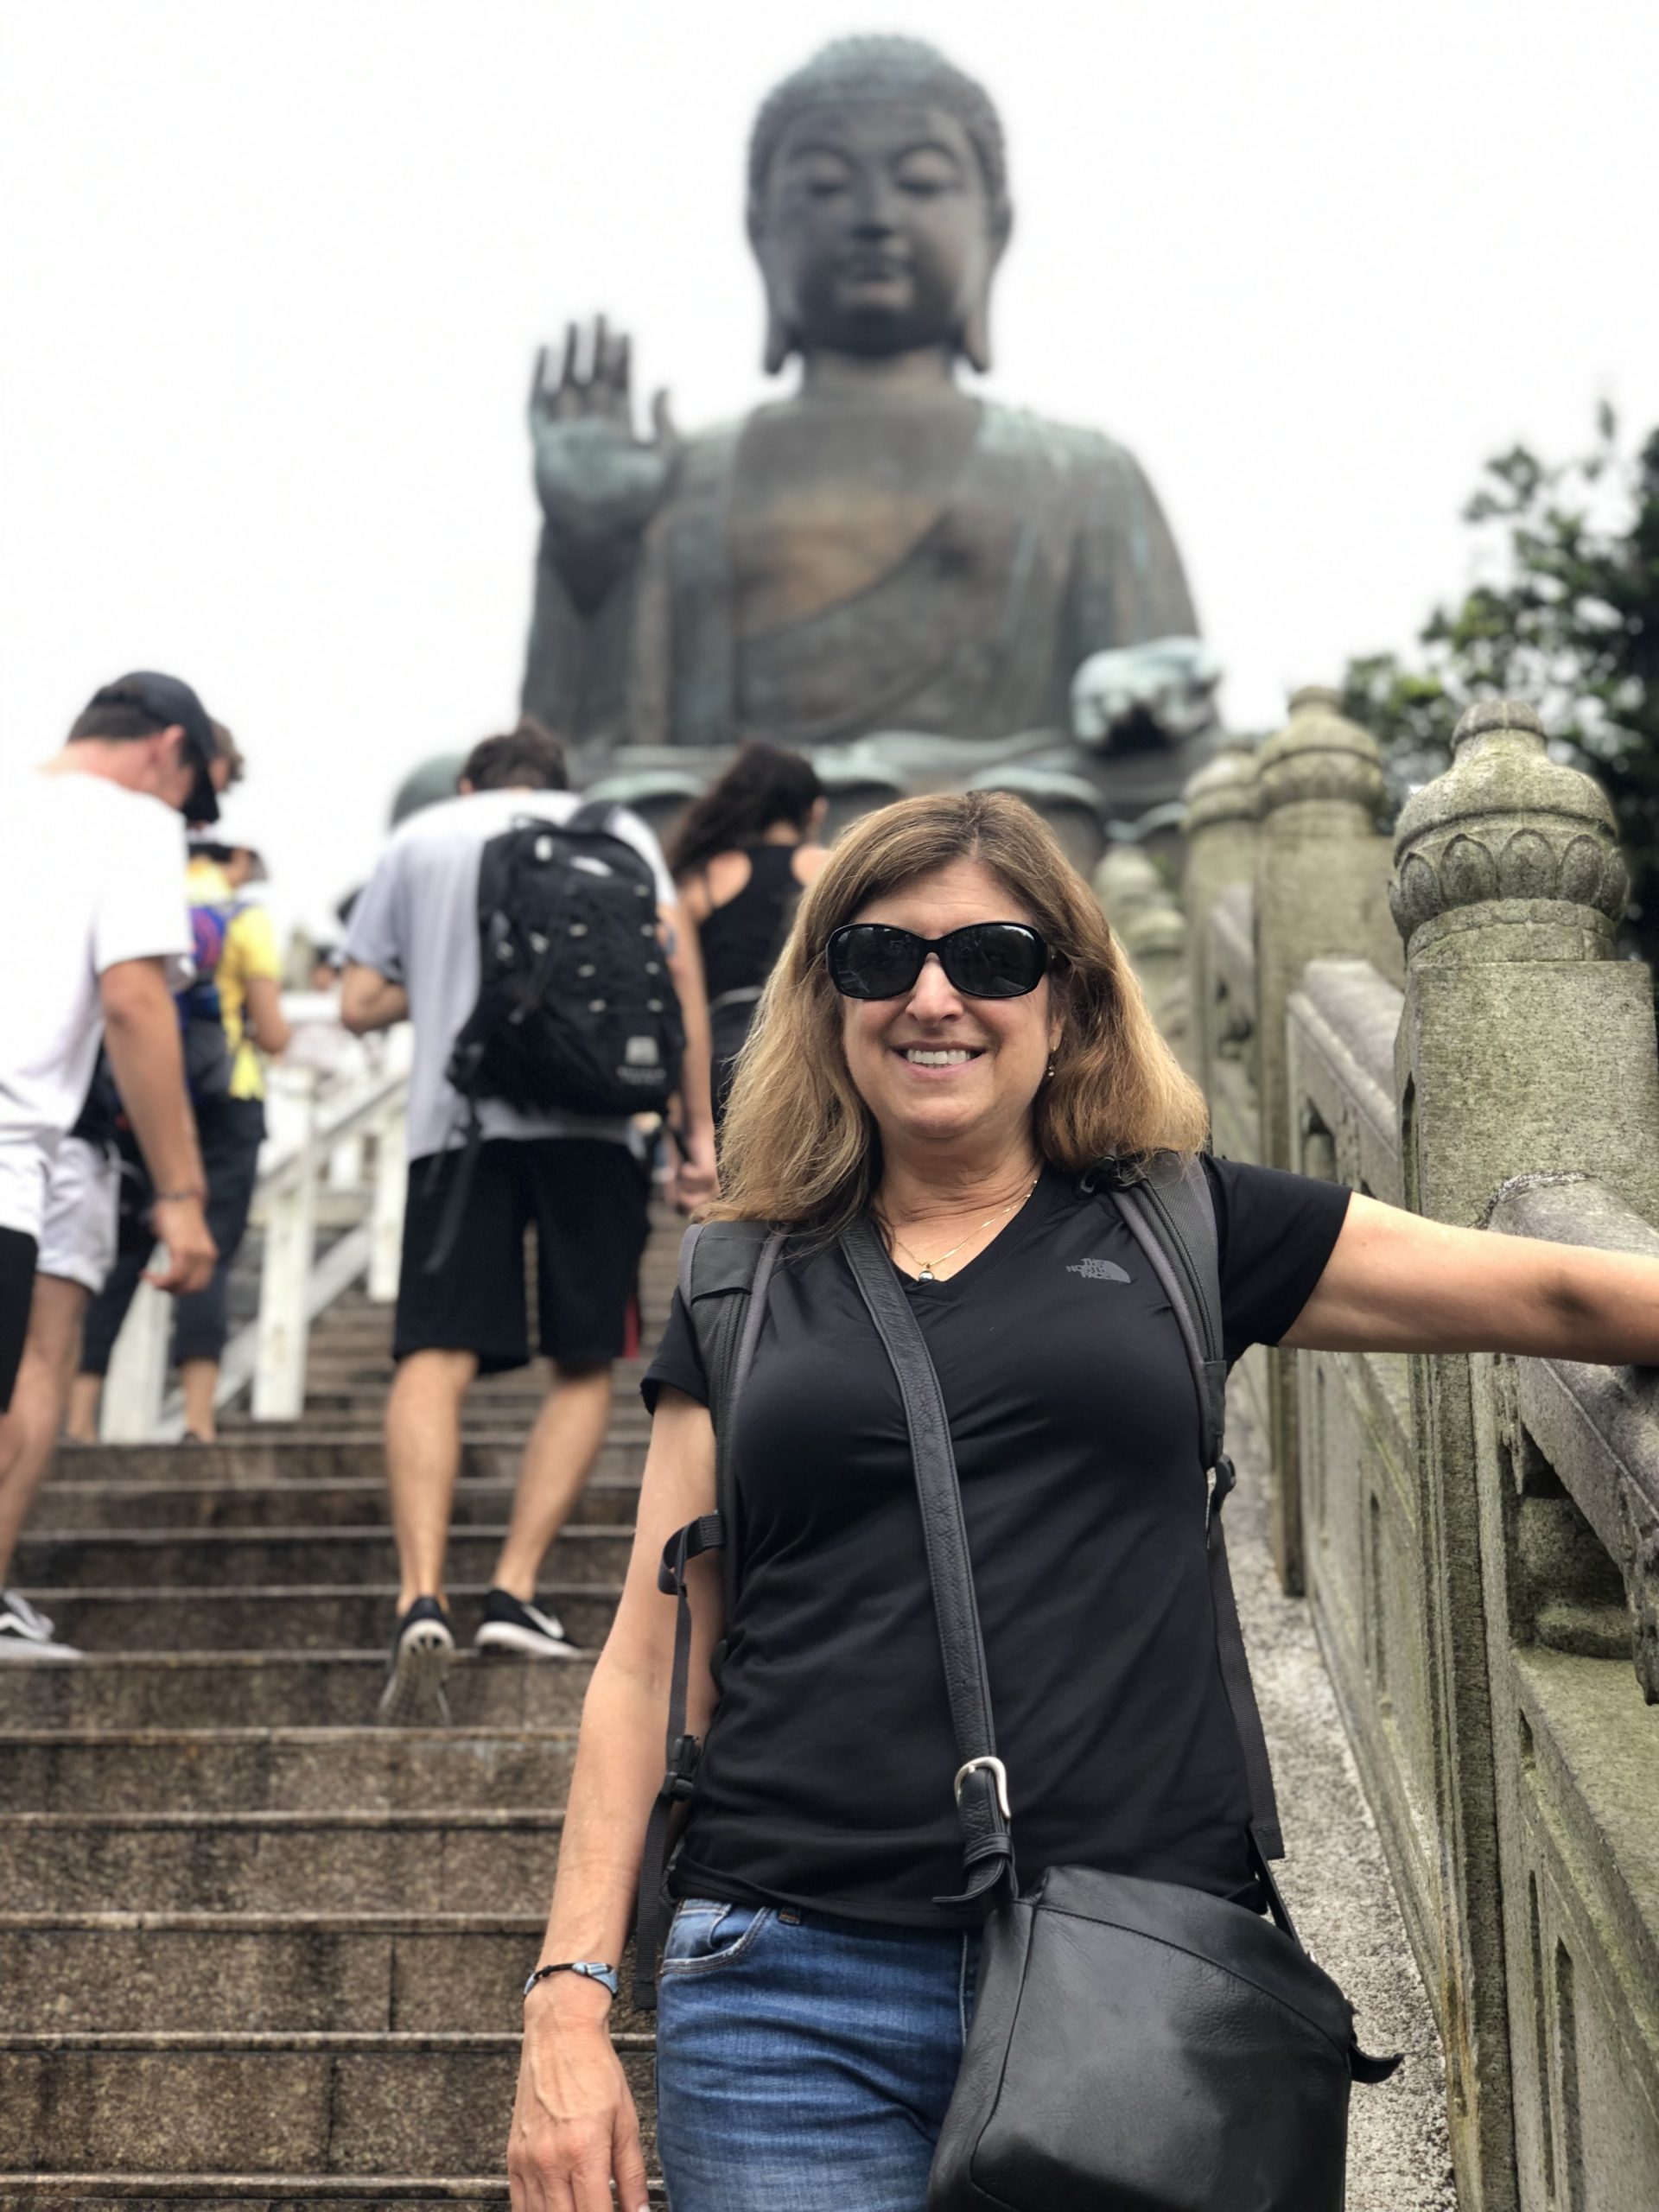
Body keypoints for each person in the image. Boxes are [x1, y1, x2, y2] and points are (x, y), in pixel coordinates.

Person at [505, 788, 1659, 2209]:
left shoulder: (1182, 1225)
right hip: (782, 1990)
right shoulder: (739, 1282)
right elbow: (644, 1658)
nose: (936, 996)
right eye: (880, 959)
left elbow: (1553, 1289)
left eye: (992, 958)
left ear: (1071, 1001)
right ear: (827, 999)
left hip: (1135, 1977)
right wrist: (567, 1997)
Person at [342, 719, 718, 1720]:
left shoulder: (423, 838)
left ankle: (420, 1590)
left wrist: (452, 980)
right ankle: (515, 1587)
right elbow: (675, 982)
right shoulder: (621, 833)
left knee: (436, 1352)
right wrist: (696, 1135)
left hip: (455, 1130)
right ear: (563, 780)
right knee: (585, 1359)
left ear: (470, 780)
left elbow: (356, 1002)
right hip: (595, 1125)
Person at [0, 673, 219, 1658]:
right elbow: (133, 999)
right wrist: (180, 1190)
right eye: (188, 792)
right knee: (33, 1365)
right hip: (16, 1150)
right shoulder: (131, 823)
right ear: (165, 748)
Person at [70, 803, 290, 1446]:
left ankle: (79, 1421)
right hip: (230, 1098)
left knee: (120, 1257)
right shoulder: (246, 917)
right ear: (239, 859)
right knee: (209, 1253)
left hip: (145, 1095)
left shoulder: (148, 902)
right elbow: (273, 1032)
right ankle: (198, 1420)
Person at [666, 741, 830, 1124]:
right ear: (814, 811)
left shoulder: (702, 880)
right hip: (806, 1056)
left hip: (725, 1060)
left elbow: (683, 998)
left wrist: (690, 1116)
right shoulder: (828, 870)